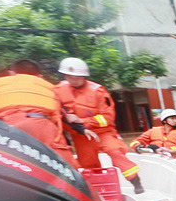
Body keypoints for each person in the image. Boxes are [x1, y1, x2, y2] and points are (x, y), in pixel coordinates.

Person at [54, 57, 144, 193]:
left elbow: (108, 117)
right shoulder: (58, 90)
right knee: (88, 165)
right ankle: (99, 191)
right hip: (80, 137)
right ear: (65, 76)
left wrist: (83, 121)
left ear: (84, 76)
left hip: (103, 133)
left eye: (77, 77)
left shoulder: (97, 91)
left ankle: (136, 182)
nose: (74, 80)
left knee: (115, 152)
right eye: (70, 76)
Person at [0, 59, 96, 167]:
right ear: (39, 76)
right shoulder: (50, 87)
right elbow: (65, 114)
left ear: (11, 74)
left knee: (6, 166)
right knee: (67, 168)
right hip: (42, 125)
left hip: (4, 127)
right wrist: (82, 129)